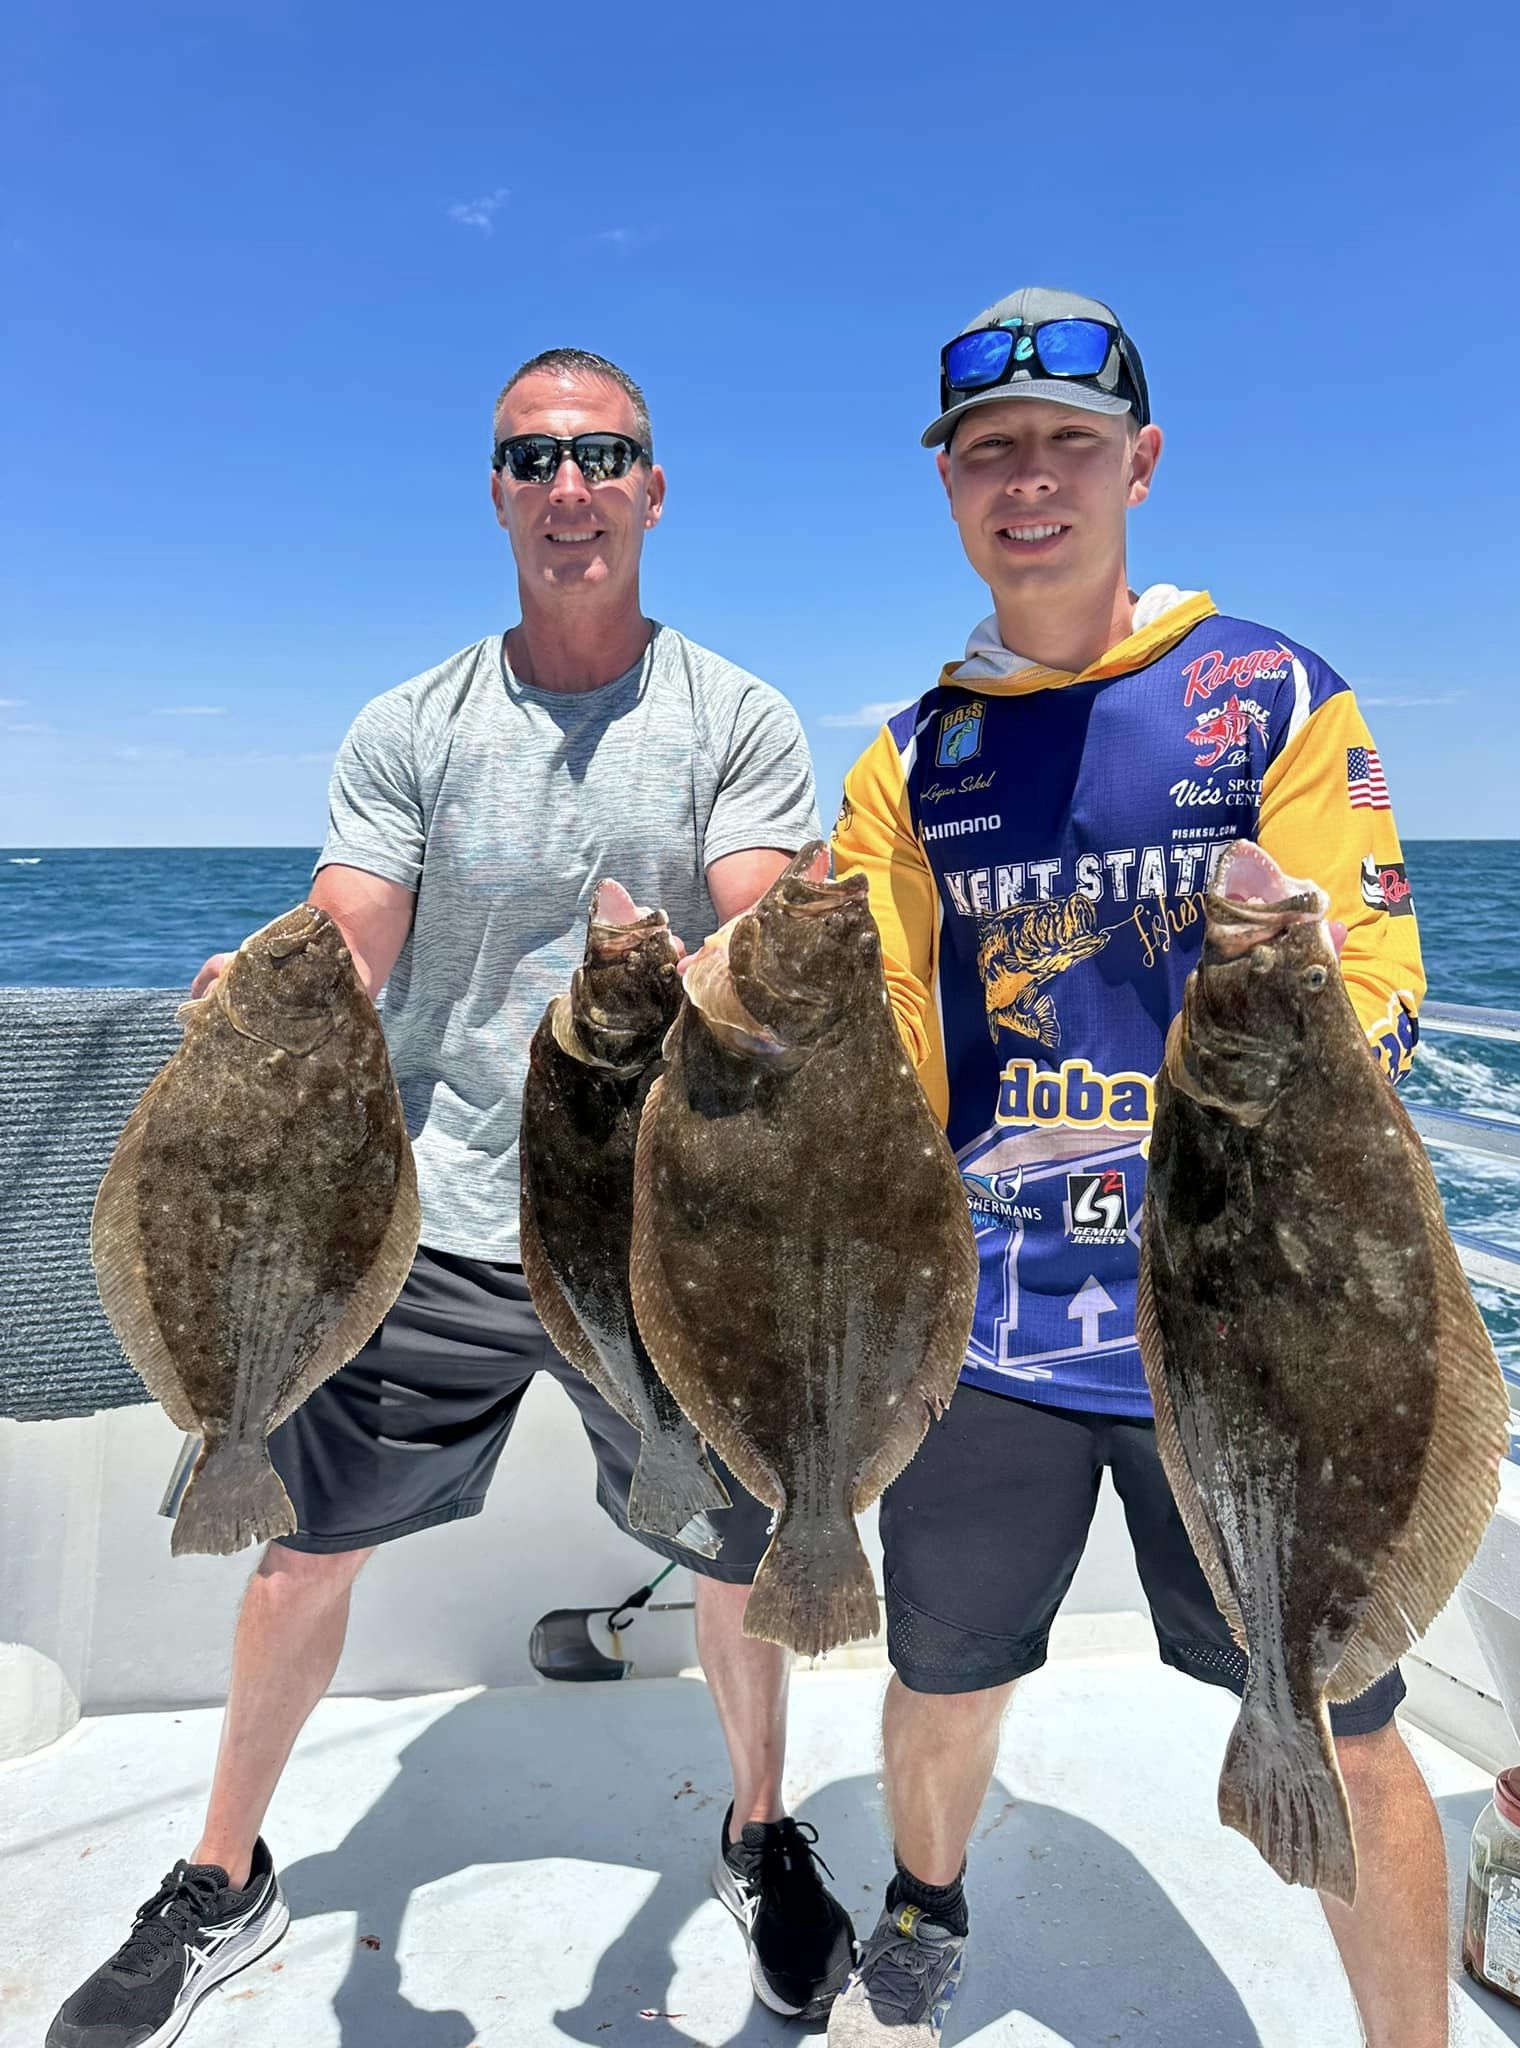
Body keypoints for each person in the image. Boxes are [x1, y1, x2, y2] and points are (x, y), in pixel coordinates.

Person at [47, 347, 856, 2048]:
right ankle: (223, 1873)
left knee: (737, 1554)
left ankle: (757, 1830)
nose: (571, 487)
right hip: (442, 1224)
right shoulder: (411, 724)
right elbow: (357, 922)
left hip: (660, 1236)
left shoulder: (737, 718)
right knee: (296, 1555)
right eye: (534, 459)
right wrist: (278, 982)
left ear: (653, 489)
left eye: (604, 456)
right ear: (497, 493)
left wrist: (741, 945)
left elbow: (759, 913)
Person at [824, 287, 1435, 2045]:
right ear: (950, 485)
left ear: (1140, 464)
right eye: (989, 451)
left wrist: (1307, 977)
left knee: (1347, 1724)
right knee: (944, 1678)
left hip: (1255, 1337)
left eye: (1068, 446)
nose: (1030, 480)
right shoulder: (911, 757)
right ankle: (927, 1897)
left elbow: (1382, 993)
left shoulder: (1271, 695)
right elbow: (874, 1028)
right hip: (994, 1332)